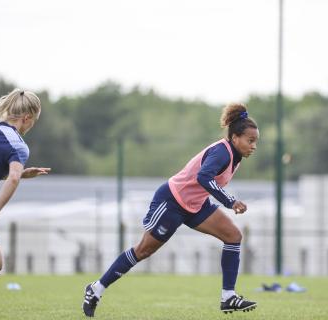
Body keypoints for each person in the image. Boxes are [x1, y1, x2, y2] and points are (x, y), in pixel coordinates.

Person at [83, 103, 259, 317]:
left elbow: (205, 182)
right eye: (250, 141)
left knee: (233, 236)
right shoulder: (223, 152)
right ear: (235, 138)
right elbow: (204, 176)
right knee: (143, 250)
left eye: (255, 142)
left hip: (196, 205)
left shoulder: (234, 156)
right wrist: (230, 201)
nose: (254, 146)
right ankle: (96, 288)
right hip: (172, 201)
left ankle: (228, 296)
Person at [0, 89, 50, 280]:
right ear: (26, 118)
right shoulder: (18, 145)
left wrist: (21, 173)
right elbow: (13, 179)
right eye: (33, 121)